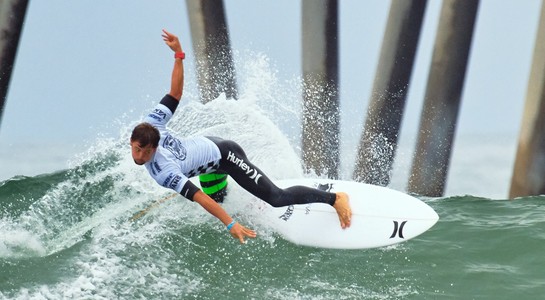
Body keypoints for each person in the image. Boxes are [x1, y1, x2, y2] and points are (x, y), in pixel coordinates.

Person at [130, 29, 351, 244]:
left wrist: (230, 224)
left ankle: (335, 199)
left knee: (276, 198)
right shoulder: (152, 123)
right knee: (219, 200)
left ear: (155, 147)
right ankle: (252, 193)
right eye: (137, 149)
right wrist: (177, 54)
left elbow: (198, 197)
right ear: (132, 141)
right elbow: (174, 94)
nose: (140, 155)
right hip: (209, 156)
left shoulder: (164, 170)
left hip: (225, 156)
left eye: (146, 151)